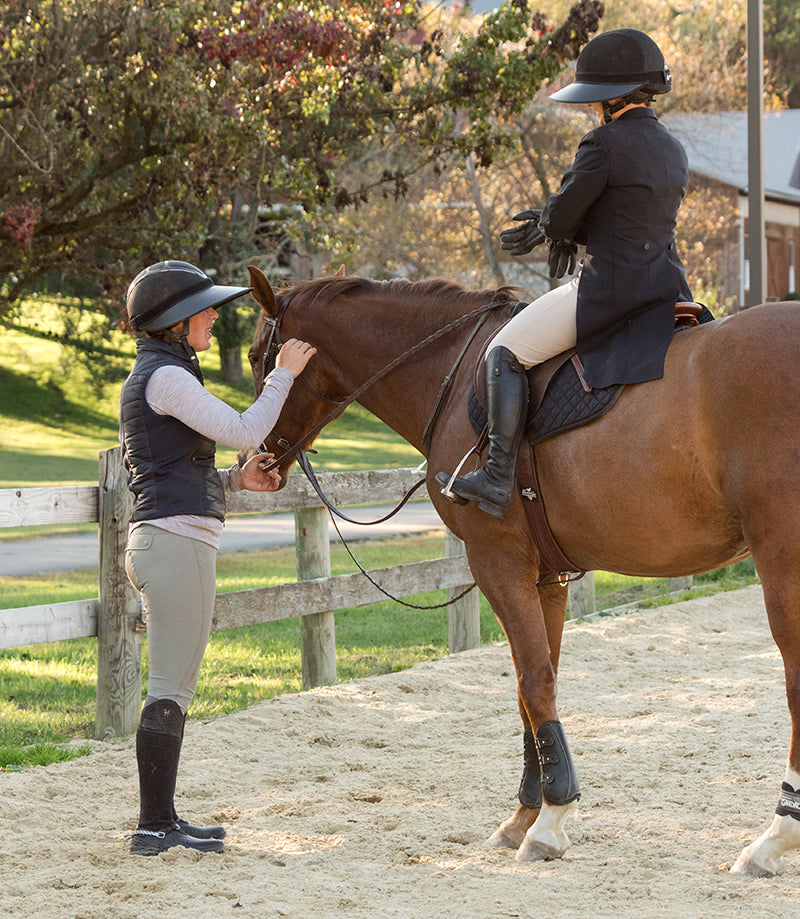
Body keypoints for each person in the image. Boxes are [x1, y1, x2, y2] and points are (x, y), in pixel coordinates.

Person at [437, 28, 713, 518]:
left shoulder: (603, 143)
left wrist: (552, 228)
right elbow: (629, 219)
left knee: (503, 350)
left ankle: (498, 476)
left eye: (593, 102)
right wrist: (567, 233)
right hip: (667, 288)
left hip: (611, 291)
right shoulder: (673, 148)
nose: (591, 110)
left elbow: (564, 215)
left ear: (608, 100)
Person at [119, 260, 316, 856]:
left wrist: (235, 483)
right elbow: (244, 427)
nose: (211, 317)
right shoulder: (166, 379)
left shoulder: (167, 376)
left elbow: (175, 468)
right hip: (175, 545)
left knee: (173, 685)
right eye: (203, 309)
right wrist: (282, 374)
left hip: (174, 538)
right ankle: (155, 826)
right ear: (175, 323)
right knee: (170, 686)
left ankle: (164, 818)